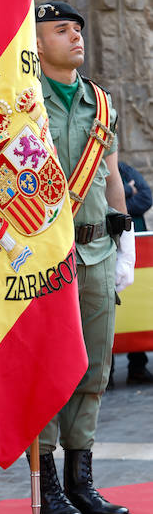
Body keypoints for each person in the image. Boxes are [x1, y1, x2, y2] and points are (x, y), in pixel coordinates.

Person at [33, 0, 135, 514]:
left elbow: (112, 175)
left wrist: (125, 235)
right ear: (37, 41)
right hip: (45, 257)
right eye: (61, 30)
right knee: (51, 370)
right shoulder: (22, 103)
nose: (75, 37)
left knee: (94, 369)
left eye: (78, 29)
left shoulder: (100, 101)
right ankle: (47, 483)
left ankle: (82, 478)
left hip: (95, 250)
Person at [118, 160, 152, 384]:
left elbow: (147, 197)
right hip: (108, 248)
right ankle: (105, 374)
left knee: (137, 307)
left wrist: (117, 206)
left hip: (136, 250)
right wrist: (129, 191)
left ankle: (137, 367)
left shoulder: (124, 168)